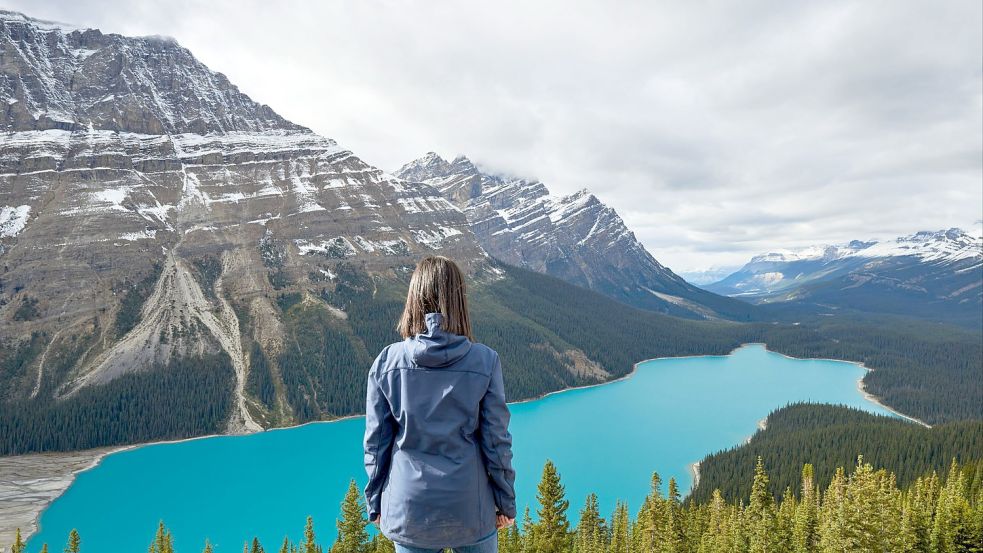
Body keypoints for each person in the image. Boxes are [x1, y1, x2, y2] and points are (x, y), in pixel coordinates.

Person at [363, 256, 517, 553]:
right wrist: (505, 502)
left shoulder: (387, 362)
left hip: (410, 510)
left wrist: (375, 503)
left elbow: (376, 444)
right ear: (459, 301)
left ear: (413, 300)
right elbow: (497, 442)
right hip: (470, 508)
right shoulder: (485, 360)